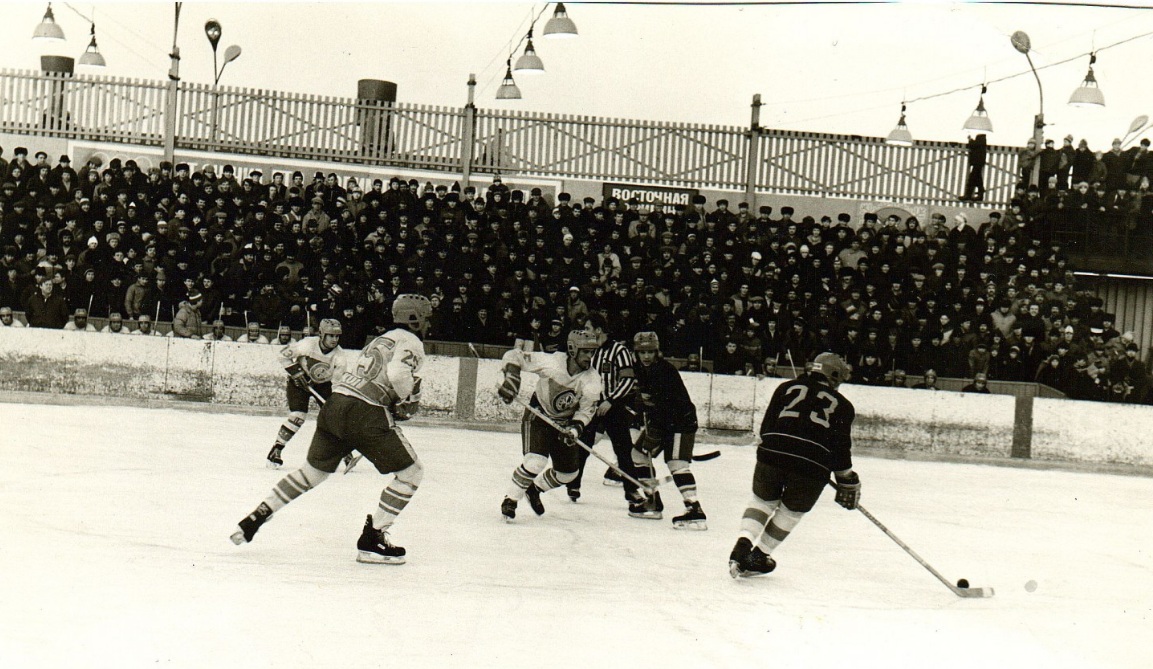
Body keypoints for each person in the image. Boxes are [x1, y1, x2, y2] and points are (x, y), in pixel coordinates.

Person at [231, 294, 432, 565]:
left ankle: (260, 512)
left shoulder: (380, 339)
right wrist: (408, 398)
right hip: (367, 411)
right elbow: (397, 375)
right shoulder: (412, 342)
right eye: (426, 317)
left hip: (336, 404)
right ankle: (374, 538)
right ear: (416, 319)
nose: (428, 323)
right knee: (412, 473)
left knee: (311, 473)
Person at [729, 352, 861, 578]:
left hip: (772, 453)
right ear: (835, 376)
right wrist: (847, 477)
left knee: (762, 501)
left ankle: (743, 543)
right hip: (812, 465)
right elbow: (840, 450)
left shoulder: (784, 388)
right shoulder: (844, 405)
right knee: (791, 511)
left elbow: (766, 429)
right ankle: (759, 555)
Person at [496, 330, 603, 521]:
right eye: (585, 352)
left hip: (563, 424)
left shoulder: (592, 379)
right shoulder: (552, 362)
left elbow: (586, 410)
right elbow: (513, 355)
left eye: (592, 352)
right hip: (539, 415)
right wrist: (512, 378)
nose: (590, 357)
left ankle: (534, 489)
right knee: (535, 461)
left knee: (569, 473)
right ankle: (511, 499)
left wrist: (575, 428)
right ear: (572, 350)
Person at [630, 331, 706, 528]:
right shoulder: (641, 369)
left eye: (650, 352)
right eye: (641, 352)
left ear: (657, 352)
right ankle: (652, 500)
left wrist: (654, 435)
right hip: (661, 422)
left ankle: (694, 508)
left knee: (676, 463)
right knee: (638, 456)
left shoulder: (664, 371)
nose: (646, 356)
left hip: (680, 423)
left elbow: (669, 407)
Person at [565, 313, 639, 504]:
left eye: (588, 328)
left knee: (623, 450)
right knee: (582, 446)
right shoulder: (589, 350)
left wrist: (611, 401)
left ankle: (632, 490)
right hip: (591, 406)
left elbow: (628, 380)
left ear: (598, 330)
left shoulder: (619, 351)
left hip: (613, 408)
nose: (585, 332)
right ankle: (573, 484)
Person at [266, 318, 344, 468]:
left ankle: (344, 452)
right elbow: (283, 355)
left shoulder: (340, 357)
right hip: (298, 383)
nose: (335, 340)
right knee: (298, 416)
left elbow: (337, 383)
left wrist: (335, 403)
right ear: (321, 334)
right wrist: (297, 373)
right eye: (331, 335)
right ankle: (276, 450)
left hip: (323, 385)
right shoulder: (307, 344)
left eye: (337, 336)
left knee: (334, 417)